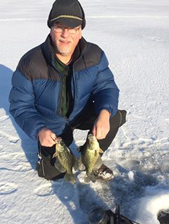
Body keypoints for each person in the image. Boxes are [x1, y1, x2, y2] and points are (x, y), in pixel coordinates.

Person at [9, 0, 126, 182]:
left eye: (73, 28)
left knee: (113, 116)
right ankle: (63, 148)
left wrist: (103, 114)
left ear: (80, 31)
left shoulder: (94, 56)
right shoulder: (30, 63)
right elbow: (20, 106)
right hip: (51, 125)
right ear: (50, 28)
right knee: (55, 174)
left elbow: (106, 87)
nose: (66, 34)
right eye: (59, 26)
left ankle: (92, 158)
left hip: (80, 113)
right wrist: (40, 130)